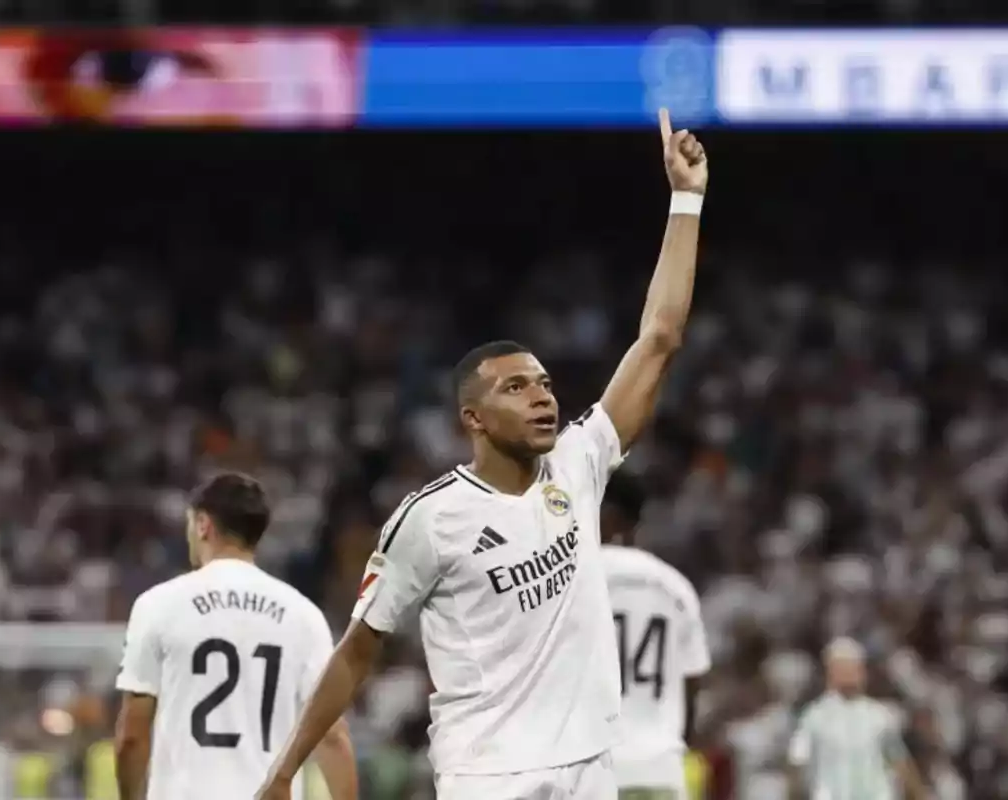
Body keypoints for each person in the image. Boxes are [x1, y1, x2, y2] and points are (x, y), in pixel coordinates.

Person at [256, 108, 708, 800]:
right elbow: (358, 652)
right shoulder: (430, 519)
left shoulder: (577, 465)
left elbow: (659, 338)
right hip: (488, 775)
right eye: (516, 387)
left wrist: (686, 200)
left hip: (590, 765)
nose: (542, 397)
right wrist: (285, 770)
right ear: (472, 417)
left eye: (546, 384)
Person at [113, 472, 358, 800]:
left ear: (202, 524)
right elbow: (332, 735)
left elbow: (132, 734)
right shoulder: (304, 616)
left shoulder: (158, 605)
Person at [602, 531, 710, 800]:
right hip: (662, 768)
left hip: (595, 770)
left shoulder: (573, 576)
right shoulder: (675, 585)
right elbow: (693, 682)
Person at [786, 638, 927, 800]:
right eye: (843, 668)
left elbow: (901, 762)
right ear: (830, 672)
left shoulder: (880, 715)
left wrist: (919, 795)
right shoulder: (813, 717)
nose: (850, 674)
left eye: (854, 667)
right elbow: (796, 764)